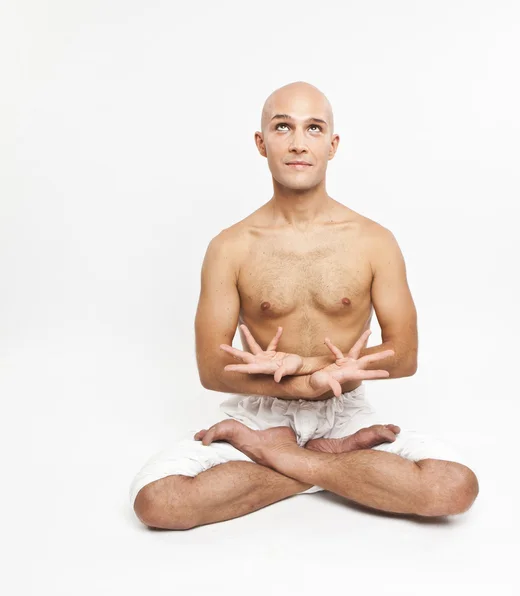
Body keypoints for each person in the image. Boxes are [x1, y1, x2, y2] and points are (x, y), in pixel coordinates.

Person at [129, 81, 479, 530]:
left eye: (313, 128)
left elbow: (404, 354)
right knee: (158, 502)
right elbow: (212, 369)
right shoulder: (230, 247)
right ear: (261, 142)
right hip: (261, 413)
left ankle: (286, 458)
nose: (298, 143)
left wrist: (305, 368)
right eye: (282, 127)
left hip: (346, 413)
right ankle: (329, 464)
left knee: (452, 488)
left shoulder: (374, 241)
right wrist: (304, 388)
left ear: (332, 145)